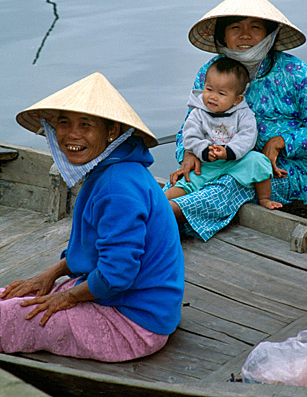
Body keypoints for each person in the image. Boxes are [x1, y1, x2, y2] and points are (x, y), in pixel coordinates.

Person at [0, 72, 185, 362]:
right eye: (64, 123)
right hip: (134, 303)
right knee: (8, 297)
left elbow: (116, 275)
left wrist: (66, 296)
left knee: (7, 319)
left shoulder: (117, 187)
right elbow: (104, 253)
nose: (72, 135)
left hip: (133, 324)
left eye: (86, 125)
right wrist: (52, 273)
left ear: (111, 131)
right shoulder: (114, 168)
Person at [164, 0, 307, 242]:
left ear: (270, 35)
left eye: (255, 28)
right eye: (236, 27)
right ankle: (146, 212)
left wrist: (280, 142)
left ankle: (153, 219)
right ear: (223, 35)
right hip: (222, 158)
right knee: (183, 181)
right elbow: (191, 124)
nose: (245, 35)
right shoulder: (210, 71)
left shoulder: (297, 72)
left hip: (288, 168)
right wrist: (189, 153)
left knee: (232, 184)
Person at [165, 57, 282, 210]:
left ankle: (265, 198)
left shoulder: (243, 114)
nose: (213, 96)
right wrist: (205, 150)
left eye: (221, 93)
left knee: (259, 161)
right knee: (188, 181)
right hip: (208, 162)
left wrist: (228, 151)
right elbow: (190, 136)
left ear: (237, 99)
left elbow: (247, 136)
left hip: (235, 160)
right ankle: (160, 200)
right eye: (208, 89)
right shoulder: (198, 112)